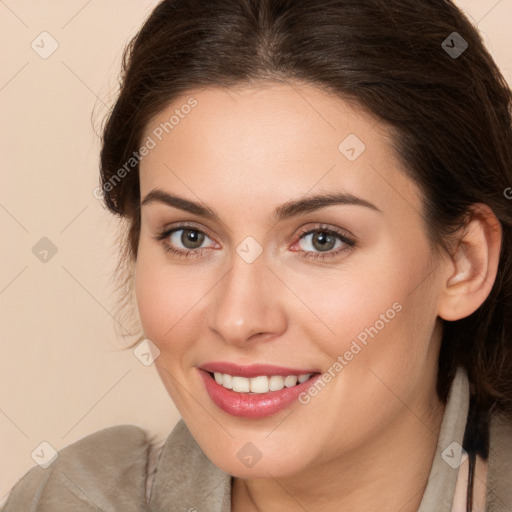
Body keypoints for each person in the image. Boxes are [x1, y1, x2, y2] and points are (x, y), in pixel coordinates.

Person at [3, 0, 512, 511]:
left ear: (463, 263)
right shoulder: (67, 499)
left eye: (321, 239)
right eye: (190, 237)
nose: (238, 318)